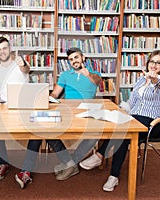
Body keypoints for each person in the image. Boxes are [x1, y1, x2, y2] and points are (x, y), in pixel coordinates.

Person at [79, 50, 160, 192]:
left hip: (152, 123)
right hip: (133, 119)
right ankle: (113, 176)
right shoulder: (141, 80)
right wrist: (120, 110)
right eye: (152, 61)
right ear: (148, 63)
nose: (154, 65)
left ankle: (100, 155)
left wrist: (154, 79)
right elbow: (132, 101)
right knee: (122, 133)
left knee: (124, 130)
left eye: (158, 63)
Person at [14, 47, 102, 189]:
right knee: (40, 128)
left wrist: (88, 74)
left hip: (87, 114)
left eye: (76, 57)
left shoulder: (94, 74)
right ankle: (27, 170)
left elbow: (96, 81)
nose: (74, 61)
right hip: (67, 113)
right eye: (71, 59)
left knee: (94, 134)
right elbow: (55, 94)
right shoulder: (66, 75)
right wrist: (47, 99)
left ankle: (69, 163)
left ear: (83, 58)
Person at [0, 36, 30, 180]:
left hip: (25, 107)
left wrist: (22, 62)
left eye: (4, 48)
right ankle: (2, 163)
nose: (2, 52)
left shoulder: (20, 65)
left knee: (36, 132)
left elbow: (26, 69)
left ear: (10, 49)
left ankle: (27, 169)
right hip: (5, 107)